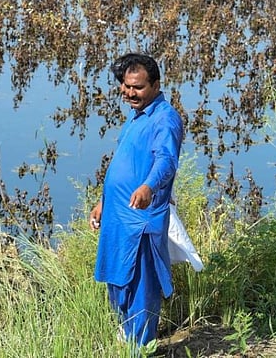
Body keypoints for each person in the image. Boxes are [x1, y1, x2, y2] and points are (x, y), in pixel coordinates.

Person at [89, 53, 184, 347]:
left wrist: (148, 187)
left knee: (141, 284)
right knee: (118, 280)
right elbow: (124, 161)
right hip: (118, 216)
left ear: (156, 85)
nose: (130, 93)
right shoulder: (136, 115)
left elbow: (166, 162)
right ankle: (127, 337)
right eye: (126, 86)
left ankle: (141, 346)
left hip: (141, 220)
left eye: (138, 87)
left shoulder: (165, 118)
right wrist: (104, 202)